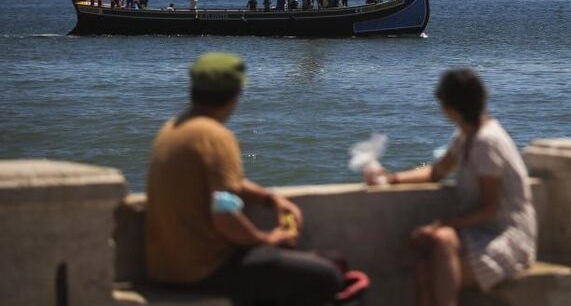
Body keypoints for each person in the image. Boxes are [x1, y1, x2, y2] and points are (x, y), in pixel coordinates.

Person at [145, 53, 341, 305]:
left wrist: (270, 199)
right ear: (237, 93)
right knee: (327, 275)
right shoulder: (216, 136)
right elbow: (224, 213)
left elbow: (225, 183)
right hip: (204, 269)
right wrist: (266, 239)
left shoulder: (172, 129)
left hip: (164, 267)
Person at [366, 69, 536, 305]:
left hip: (507, 236)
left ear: (450, 107)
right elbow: (437, 172)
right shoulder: (465, 136)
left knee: (441, 242)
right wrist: (390, 178)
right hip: (481, 233)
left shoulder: (486, 142)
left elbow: (491, 208)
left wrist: (443, 224)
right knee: (426, 263)